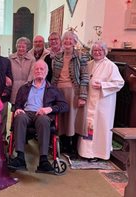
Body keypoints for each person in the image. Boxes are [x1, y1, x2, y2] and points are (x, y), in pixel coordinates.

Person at [8, 60, 69, 173]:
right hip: (26, 113)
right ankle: (20, 157)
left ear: (46, 72)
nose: (39, 71)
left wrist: (49, 109)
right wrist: (17, 109)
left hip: (42, 114)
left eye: (42, 69)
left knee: (43, 120)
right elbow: (17, 104)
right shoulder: (24, 88)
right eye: (37, 69)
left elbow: (64, 106)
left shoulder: (53, 89)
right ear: (33, 71)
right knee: (20, 118)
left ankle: (43, 160)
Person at [78, 41, 124, 161]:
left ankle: (99, 153)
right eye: (94, 51)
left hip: (102, 103)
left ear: (104, 51)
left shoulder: (110, 66)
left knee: (100, 127)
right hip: (89, 102)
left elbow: (119, 83)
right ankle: (86, 152)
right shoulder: (89, 64)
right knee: (87, 126)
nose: (97, 53)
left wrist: (103, 85)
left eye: (100, 50)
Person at [51, 31, 90, 159]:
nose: (67, 41)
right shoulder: (57, 57)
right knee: (61, 119)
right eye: (65, 39)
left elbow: (84, 77)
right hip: (59, 91)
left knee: (73, 120)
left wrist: (82, 96)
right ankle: (63, 145)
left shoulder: (81, 56)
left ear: (74, 42)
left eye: (70, 39)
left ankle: (73, 148)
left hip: (74, 91)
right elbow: (54, 76)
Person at [9, 37, 35, 105]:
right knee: (14, 108)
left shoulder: (32, 59)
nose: (20, 49)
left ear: (27, 48)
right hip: (14, 88)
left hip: (27, 88)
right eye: (19, 46)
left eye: (23, 47)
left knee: (25, 108)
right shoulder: (10, 58)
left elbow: (32, 75)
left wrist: (27, 85)